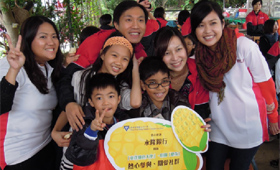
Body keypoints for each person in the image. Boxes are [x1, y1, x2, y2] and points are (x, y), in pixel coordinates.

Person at [190, 1, 279, 169]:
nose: (207, 31)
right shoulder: (200, 55)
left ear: (223, 24)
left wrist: (273, 116)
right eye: (201, 25)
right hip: (218, 125)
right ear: (194, 30)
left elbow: (266, 83)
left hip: (247, 125)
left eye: (213, 23)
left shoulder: (244, 47)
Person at [57, 0, 148, 133]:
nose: (136, 26)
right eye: (129, 19)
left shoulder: (138, 51)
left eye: (141, 20)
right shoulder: (95, 44)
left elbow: (134, 100)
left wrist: (135, 68)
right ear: (116, 24)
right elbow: (66, 79)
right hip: (80, 135)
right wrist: (68, 104)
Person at [52, 33, 137, 170]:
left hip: (107, 151)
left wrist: (135, 69)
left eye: (125, 59)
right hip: (79, 146)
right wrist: (55, 131)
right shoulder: (82, 77)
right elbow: (70, 107)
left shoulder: (121, 85)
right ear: (102, 54)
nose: (118, 62)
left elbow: (136, 102)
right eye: (114, 55)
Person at [0, 16, 63, 170]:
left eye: (54, 36)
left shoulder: (50, 69)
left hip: (46, 147)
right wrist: (14, 70)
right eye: (43, 37)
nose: (51, 42)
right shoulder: (11, 65)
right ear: (29, 40)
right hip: (17, 157)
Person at [65, 73, 130, 169]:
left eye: (111, 96)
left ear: (118, 99)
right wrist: (91, 131)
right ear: (91, 102)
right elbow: (79, 158)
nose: (106, 102)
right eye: (99, 98)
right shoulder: (83, 123)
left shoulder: (126, 123)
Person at [128, 57, 211, 131]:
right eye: (153, 83)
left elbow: (188, 129)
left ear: (169, 79)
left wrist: (197, 129)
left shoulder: (180, 103)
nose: (160, 88)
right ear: (142, 85)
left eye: (164, 81)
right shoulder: (136, 109)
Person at [154, 26, 210, 119]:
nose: (175, 58)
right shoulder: (153, 78)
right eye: (167, 53)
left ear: (186, 48)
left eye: (178, 49)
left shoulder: (200, 73)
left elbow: (202, 114)